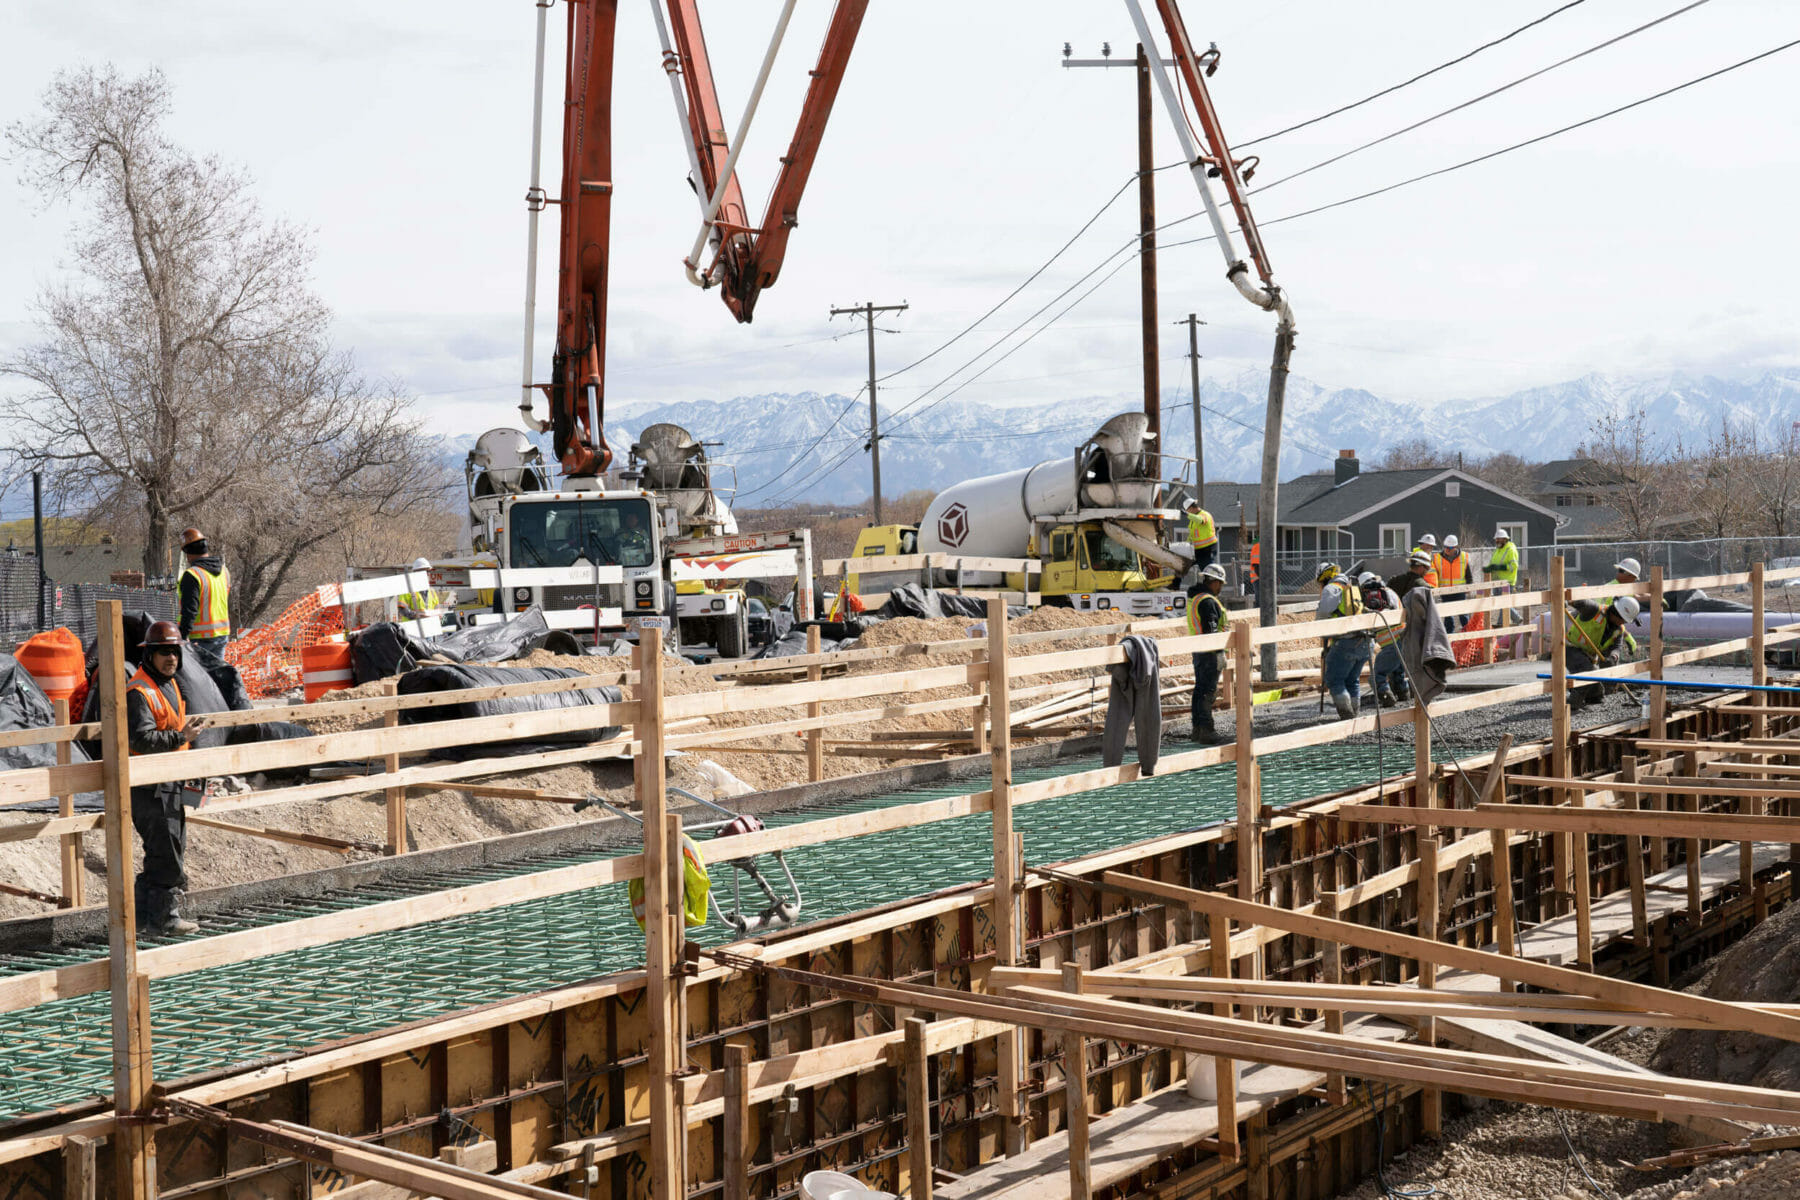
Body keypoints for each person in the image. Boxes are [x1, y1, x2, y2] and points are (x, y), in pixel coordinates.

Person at [127, 621, 207, 936]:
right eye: (163, 652)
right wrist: (179, 737)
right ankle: (165, 918)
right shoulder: (140, 691)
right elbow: (141, 739)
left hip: (171, 781)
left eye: (174, 652)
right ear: (149, 655)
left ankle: (142, 919)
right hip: (149, 787)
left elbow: (176, 731)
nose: (170, 658)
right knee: (166, 852)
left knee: (169, 847)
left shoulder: (168, 684)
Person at [1566, 595, 1640, 710]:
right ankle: (1572, 704)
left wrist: (1613, 656)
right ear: (1616, 613)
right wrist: (1568, 601)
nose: (1624, 623)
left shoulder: (1618, 629)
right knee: (1588, 672)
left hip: (1589, 655)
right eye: (1623, 619)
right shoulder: (1594, 610)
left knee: (1596, 690)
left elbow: (1616, 647)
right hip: (1570, 648)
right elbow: (1580, 601)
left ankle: (1593, 697)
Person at [1315, 562, 1369, 720]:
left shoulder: (1332, 588)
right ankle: (1354, 715)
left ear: (1324, 577)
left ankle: (1346, 715)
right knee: (1352, 680)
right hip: (1364, 640)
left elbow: (1323, 613)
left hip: (1346, 641)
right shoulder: (1352, 585)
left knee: (1334, 679)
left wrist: (1320, 630)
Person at [1186, 562, 1230, 744]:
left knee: (1199, 690)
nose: (1220, 588)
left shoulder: (1195, 598)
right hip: (1210, 653)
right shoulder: (1208, 602)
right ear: (1215, 582)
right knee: (1207, 692)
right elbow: (1211, 631)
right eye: (1220, 584)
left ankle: (1197, 729)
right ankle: (1206, 730)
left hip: (1199, 651)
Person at [177, 527, 230, 669]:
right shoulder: (224, 572)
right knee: (218, 679)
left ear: (188, 553)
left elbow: (190, 609)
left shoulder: (192, 575)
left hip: (199, 639)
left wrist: (183, 635)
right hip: (222, 634)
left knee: (201, 682)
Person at [1362, 571, 1406, 705]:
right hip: (1404, 638)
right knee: (1397, 672)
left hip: (1390, 644)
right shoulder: (1390, 593)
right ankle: (1403, 695)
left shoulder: (1369, 599)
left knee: (1377, 677)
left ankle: (1388, 700)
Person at [1434, 535, 1474, 631]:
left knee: (1463, 616)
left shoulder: (1464, 557)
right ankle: (1449, 639)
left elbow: (1469, 576)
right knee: (1448, 618)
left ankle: (1468, 637)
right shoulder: (1437, 558)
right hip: (1445, 591)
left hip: (1460, 591)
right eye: (1445, 547)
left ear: (1456, 547)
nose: (1447, 549)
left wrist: (1469, 587)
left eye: (1450, 548)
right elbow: (1434, 575)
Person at [398, 557, 442, 622]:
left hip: (429, 628)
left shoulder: (432, 591)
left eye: (428, 571)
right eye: (425, 571)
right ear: (416, 573)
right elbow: (402, 609)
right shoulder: (408, 589)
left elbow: (437, 610)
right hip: (412, 628)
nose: (427, 574)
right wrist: (416, 615)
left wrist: (439, 615)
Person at [1182, 499, 1219, 573]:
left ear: (1191, 508)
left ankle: (1212, 582)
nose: (1188, 512)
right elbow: (1192, 534)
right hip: (1198, 550)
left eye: (1188, 510)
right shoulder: (1193, 519)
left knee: (1208, 570)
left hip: (1208, 548)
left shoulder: (1204, 514)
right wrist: (1185, 545)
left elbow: (1200, 520)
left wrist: (1187, 514)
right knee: (1184, 566)